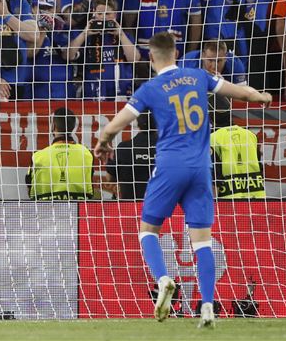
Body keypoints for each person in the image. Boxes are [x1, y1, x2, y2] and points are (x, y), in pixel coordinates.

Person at [93, 32, 272, 327]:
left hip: (170, 165)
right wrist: (262, 97)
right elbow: (241, 93)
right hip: (201, 169)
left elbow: (118, 122)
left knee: (148, 230)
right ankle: (208, 307)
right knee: (202, 242)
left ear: (151, 57)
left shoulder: (150, 88)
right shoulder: (199, 75)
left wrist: (104, 139)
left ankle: (163, 280)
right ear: (177, 53)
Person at [68, 0, 140, 100]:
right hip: (93, 91)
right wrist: (85, 34)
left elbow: (135, 59)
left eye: (108, 14)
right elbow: (68, 56)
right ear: (93, 13)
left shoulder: (125, 35)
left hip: (120, 91)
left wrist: (121, 34)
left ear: (115, 14)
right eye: (100, 14)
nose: (103, 17)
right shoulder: (84, 35)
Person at [27, 107, 95, 200]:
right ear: (73, 127)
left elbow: (29, 188)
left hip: (44, 211)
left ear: (53, 126)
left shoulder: (37, 157)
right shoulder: (87, 154)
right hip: (78, 211)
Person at [210, 109, 266, 199]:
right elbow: (260, 167)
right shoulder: (251, 135)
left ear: (212, 120)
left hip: (228, 201)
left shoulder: (212, 138)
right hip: (257, 197)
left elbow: (215, 177)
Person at [105, 112, 157, 200]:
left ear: (137, 123)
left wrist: (108, 163)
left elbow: (110, 178)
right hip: (162, 205)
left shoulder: (124, 147)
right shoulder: (167, 148)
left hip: (130, 207)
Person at [179, 40, 247, 86]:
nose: (214, 66)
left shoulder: (235, 64)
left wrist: (224, 86)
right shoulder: (187, 62)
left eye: (219, 61)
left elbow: (243, 95)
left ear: (226, 57)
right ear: (203, 56)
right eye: (210, 60)